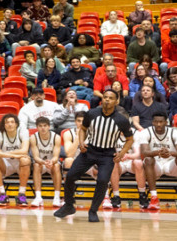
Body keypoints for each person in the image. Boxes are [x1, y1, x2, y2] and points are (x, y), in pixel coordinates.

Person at [55, 88, 136, 222]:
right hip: (90, 150)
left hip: (107, 153)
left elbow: (130, 139)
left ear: (116, 101)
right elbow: (83, 129)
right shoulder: (92, 113)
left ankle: (93, 210)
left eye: (110, 98)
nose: (107, 100)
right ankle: (69, 205)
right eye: (105, 97)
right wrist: (81, 142)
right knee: (70, 176)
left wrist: (121, 153)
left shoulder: (121, 119)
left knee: (103, 181)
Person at [0, 113, 31, 206]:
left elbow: (24, 150)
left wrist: (3, 153)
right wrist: (12, 155)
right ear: (4, 125)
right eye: (7, 122)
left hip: (20, 163)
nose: (10, 124)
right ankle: (2, 194)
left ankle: (21, 194)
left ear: (16, 124)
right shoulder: (0, 134)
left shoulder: (23, 131)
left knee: (25, 160)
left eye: (12, 122)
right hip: (5, 164)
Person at [139, 112, 177, 211]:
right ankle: (154, 198)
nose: (158, 124)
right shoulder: (146, 132)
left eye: (161, 122)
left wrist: (170, 153)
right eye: (156, 122)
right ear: (152, 122)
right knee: (148, 159)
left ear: (166, 122)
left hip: (171, 164)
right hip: (156, 165)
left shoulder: (174, 132)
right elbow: (144, 152)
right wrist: (158, 152)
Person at [29, 116, 62, 207]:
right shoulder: (33, 137)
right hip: (41, 163)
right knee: (36, 165)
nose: (43, 128)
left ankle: (57, 197)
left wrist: (51, 162)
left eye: (45, 125)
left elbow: (56, 156)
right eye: (40, 126)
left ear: (49, 126)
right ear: (37, 127)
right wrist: (43, 162)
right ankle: (38, 197)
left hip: (52, 162)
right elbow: (35, 157)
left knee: (56, 166)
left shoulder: (56, 137)